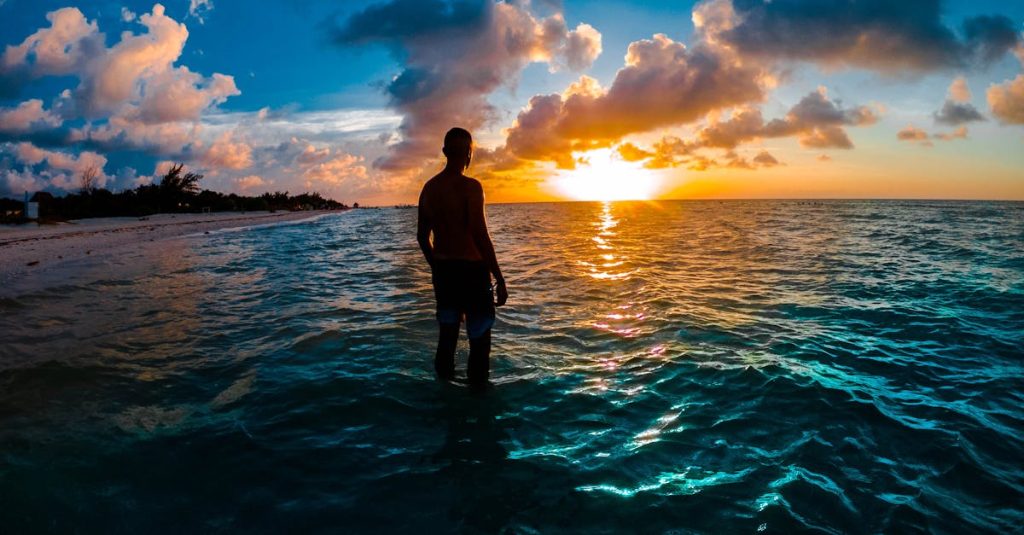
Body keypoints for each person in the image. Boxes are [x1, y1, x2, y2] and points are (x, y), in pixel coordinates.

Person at [417, 127, 508, 387]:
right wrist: (499, 278)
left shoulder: (429, 189)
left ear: (445, 152)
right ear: (470, 154)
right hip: (472, 273)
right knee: (479, 342)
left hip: (444, 272)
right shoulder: (471, 187)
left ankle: (443, 395)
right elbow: (480, 235)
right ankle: (478, 404)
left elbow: (422, 238)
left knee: (447, 338)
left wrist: (437, 266)